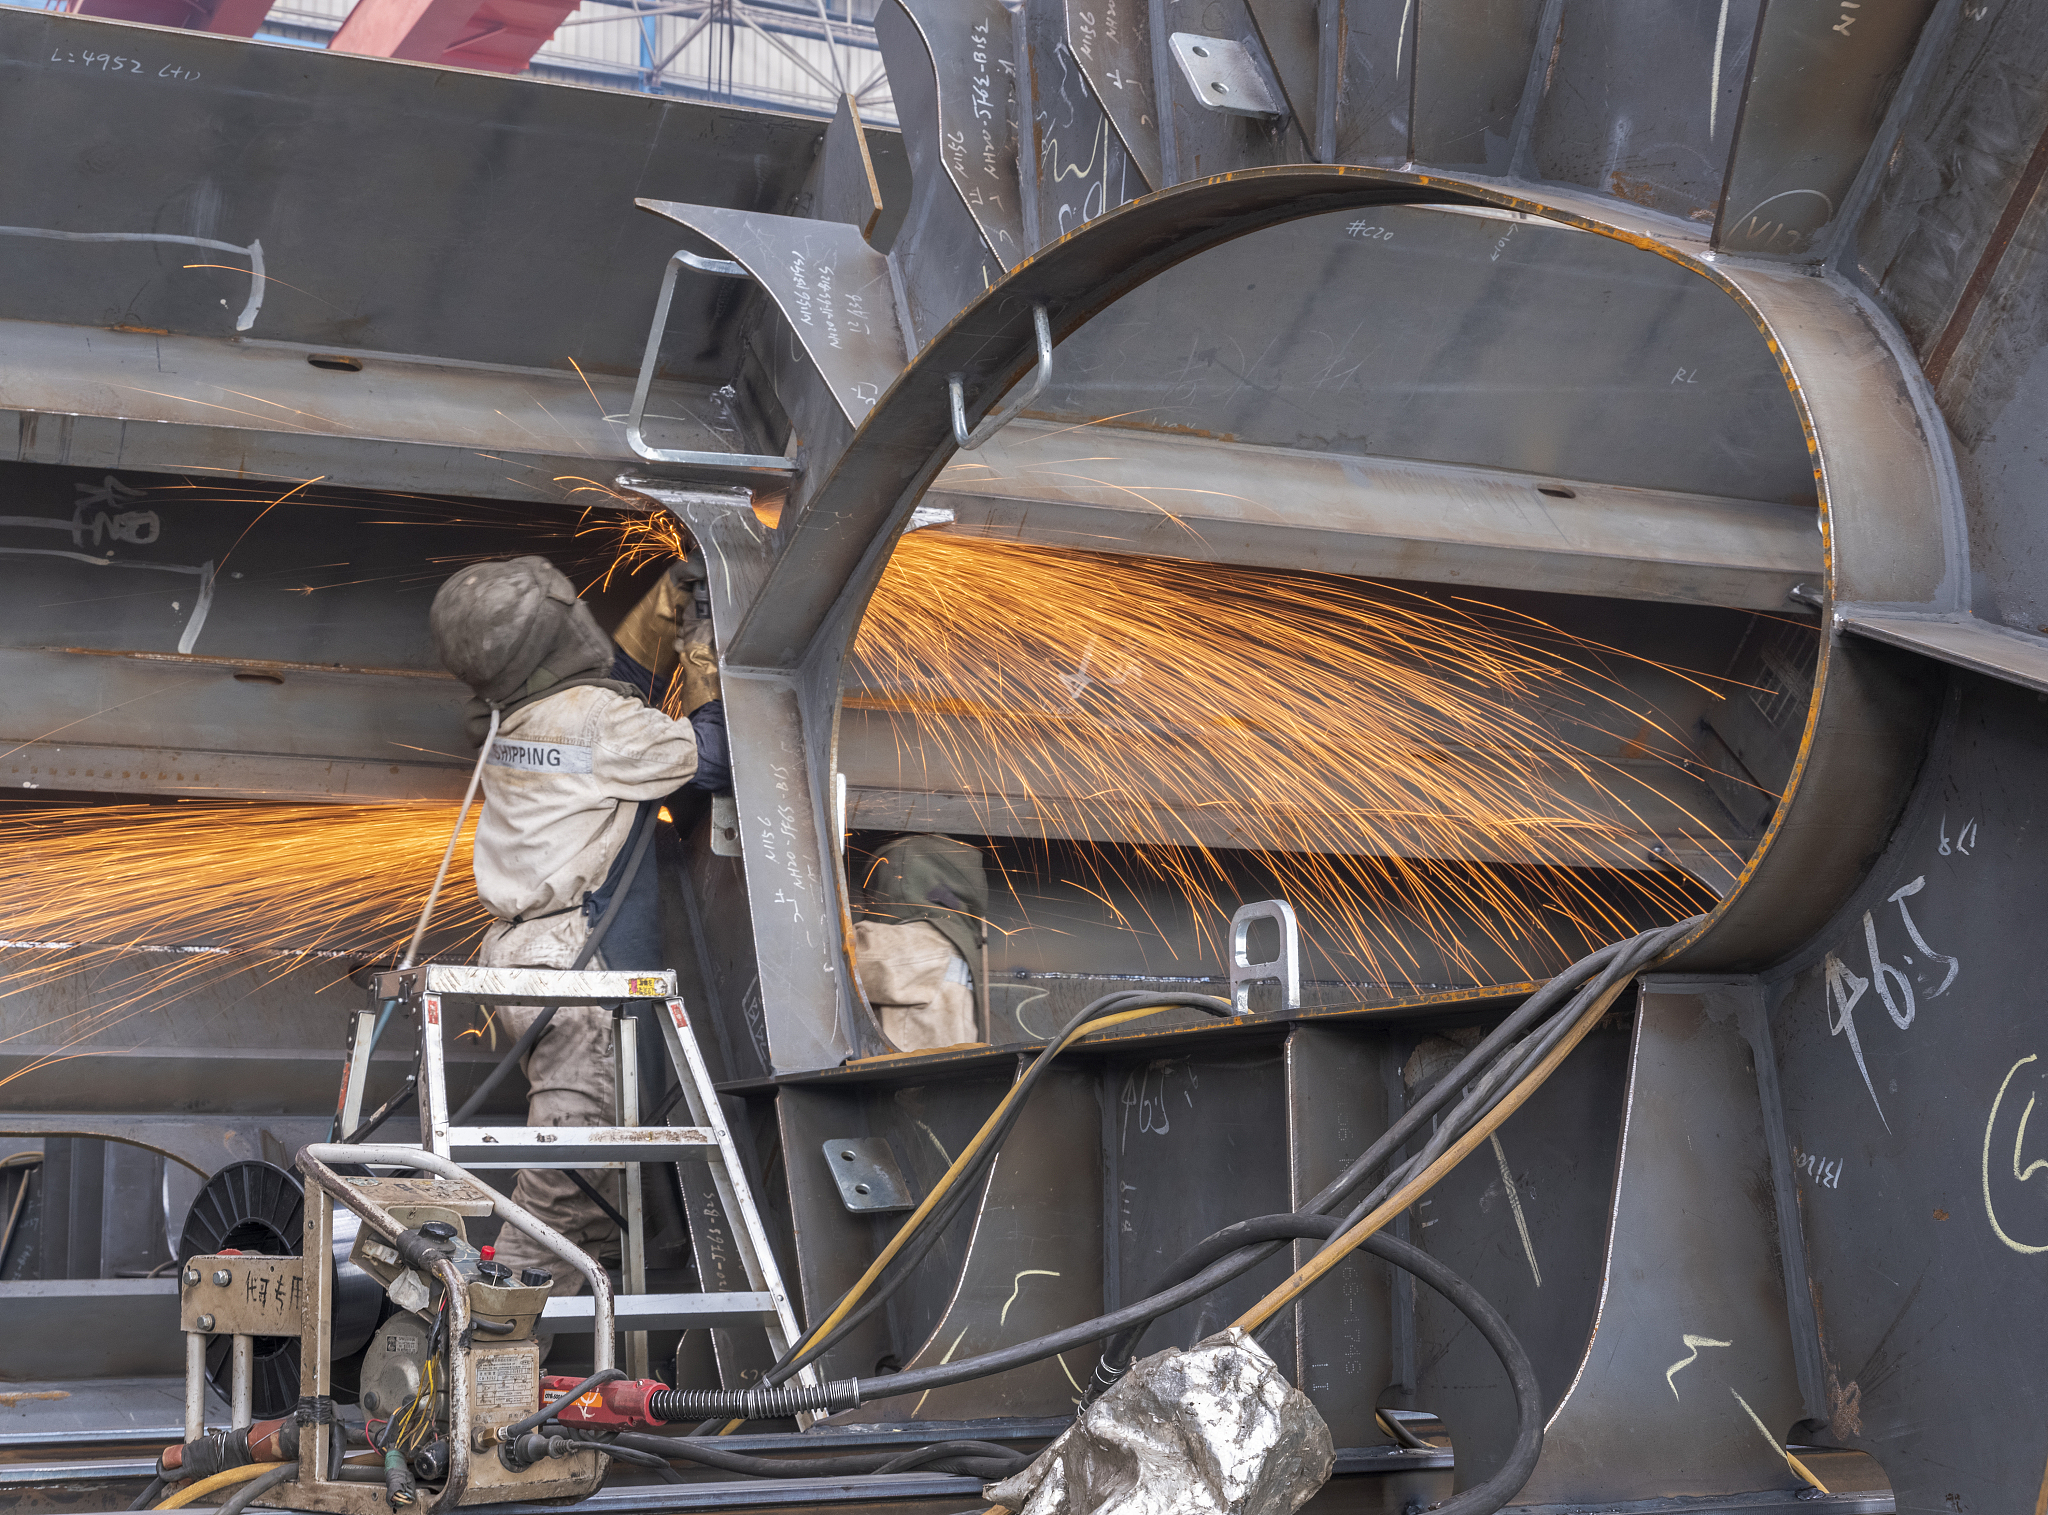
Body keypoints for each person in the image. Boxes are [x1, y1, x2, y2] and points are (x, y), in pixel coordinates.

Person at [428, 553, 727, 1296]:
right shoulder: (597, 725)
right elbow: (715, 755)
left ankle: (568, 1345)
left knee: (598, 1198)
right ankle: (477, 1327)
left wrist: (665, 612)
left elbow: (613, 685)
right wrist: (707, 654)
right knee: (567, 1184)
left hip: (524, 963)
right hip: (578, 975)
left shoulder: (506, 714)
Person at [853, 834, 990, 1051]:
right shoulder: (956, 939)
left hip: (909, 1077)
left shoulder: (922, 939)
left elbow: (832, 966)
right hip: (942, 1072)